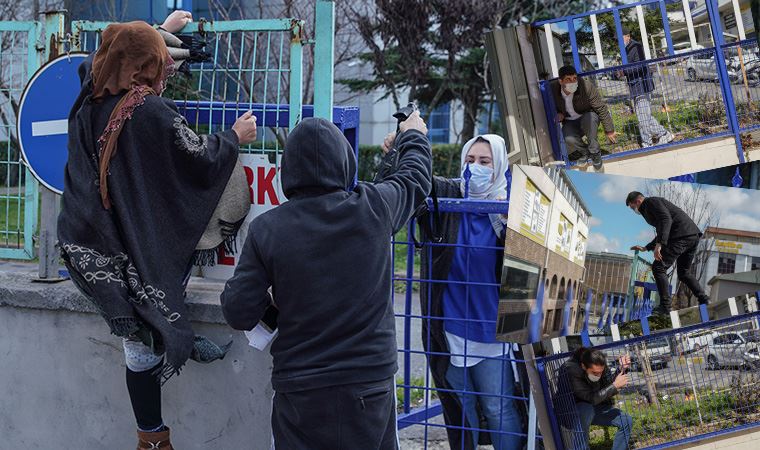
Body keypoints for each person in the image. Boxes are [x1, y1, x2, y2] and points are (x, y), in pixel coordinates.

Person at [57, 14, 258, 449]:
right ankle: (152, 435)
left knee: (140, 331)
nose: (166, 67)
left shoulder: (89, 96)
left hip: (86, 238)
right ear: (141, 68)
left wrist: (158, 30)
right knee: (143, 338)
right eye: (159, 61)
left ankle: (166, 355)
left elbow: (119, 49)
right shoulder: (149, 111)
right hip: (125, 245)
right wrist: (235, 136)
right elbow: (199, 156)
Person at [220, 113, 432, 449]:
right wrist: (414, 135)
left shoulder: (268, 229)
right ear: (344, 161)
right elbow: (414, 179)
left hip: (300, 389)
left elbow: (238, 310)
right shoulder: (374, 207)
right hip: (369, 384)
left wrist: (273, 307)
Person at [379, 133, 523, 449]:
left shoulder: (512, 206)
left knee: (498, 407)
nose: (475, 168)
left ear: (499, 166)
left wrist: (510, 227)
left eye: (485, 162)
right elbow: (407, 185)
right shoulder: (446, 196)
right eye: (470, 160)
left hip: (492, 331)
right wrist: (396, 152)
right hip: (450, 330)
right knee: (461, 409)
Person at [626, 191, 710, 315]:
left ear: (638, 201)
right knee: (683, 273)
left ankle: (665, 306)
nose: (635, 210)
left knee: (658, 267)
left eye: (633, 207)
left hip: (681, 235)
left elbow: (666, 219)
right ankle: (704, 299)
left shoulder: (650, 202)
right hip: (692, 236)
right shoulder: (651, 205)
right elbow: (662, 229)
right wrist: (647, 247)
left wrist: (659, 245)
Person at [564, 347, 633, 450]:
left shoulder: (601, 367)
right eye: (595, 373)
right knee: (586, 409)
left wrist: (621, 369)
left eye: (600, 372)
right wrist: (614, 386)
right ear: (583, 366)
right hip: (577, 412)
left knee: (626, 420)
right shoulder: (573, 373)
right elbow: (590, 398)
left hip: (597, 409)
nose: (598, 375)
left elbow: (608, 384)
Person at [552, 65, 616, 171]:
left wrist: (609, 130)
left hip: (587, 117)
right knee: (567, 137)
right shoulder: (553, 90)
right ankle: (585, 152)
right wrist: (558, 113)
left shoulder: (586, 86)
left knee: (590, 118)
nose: (573, 82)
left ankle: (595, 153)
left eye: (574, 78)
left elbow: (601, 107)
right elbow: (550, 107)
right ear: (560, 81)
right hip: (570, 122)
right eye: (568, 79)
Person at [621, 27, 673, 148]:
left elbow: (639, 66)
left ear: (627, 36)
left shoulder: (636, 47)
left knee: (643, 117)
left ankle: (647, 142)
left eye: (620, 37)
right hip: (636, 86)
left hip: (641, 85)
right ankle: (664, 134)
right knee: (644, 116)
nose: (618, 41)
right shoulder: (627, 49)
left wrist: (624, 72)